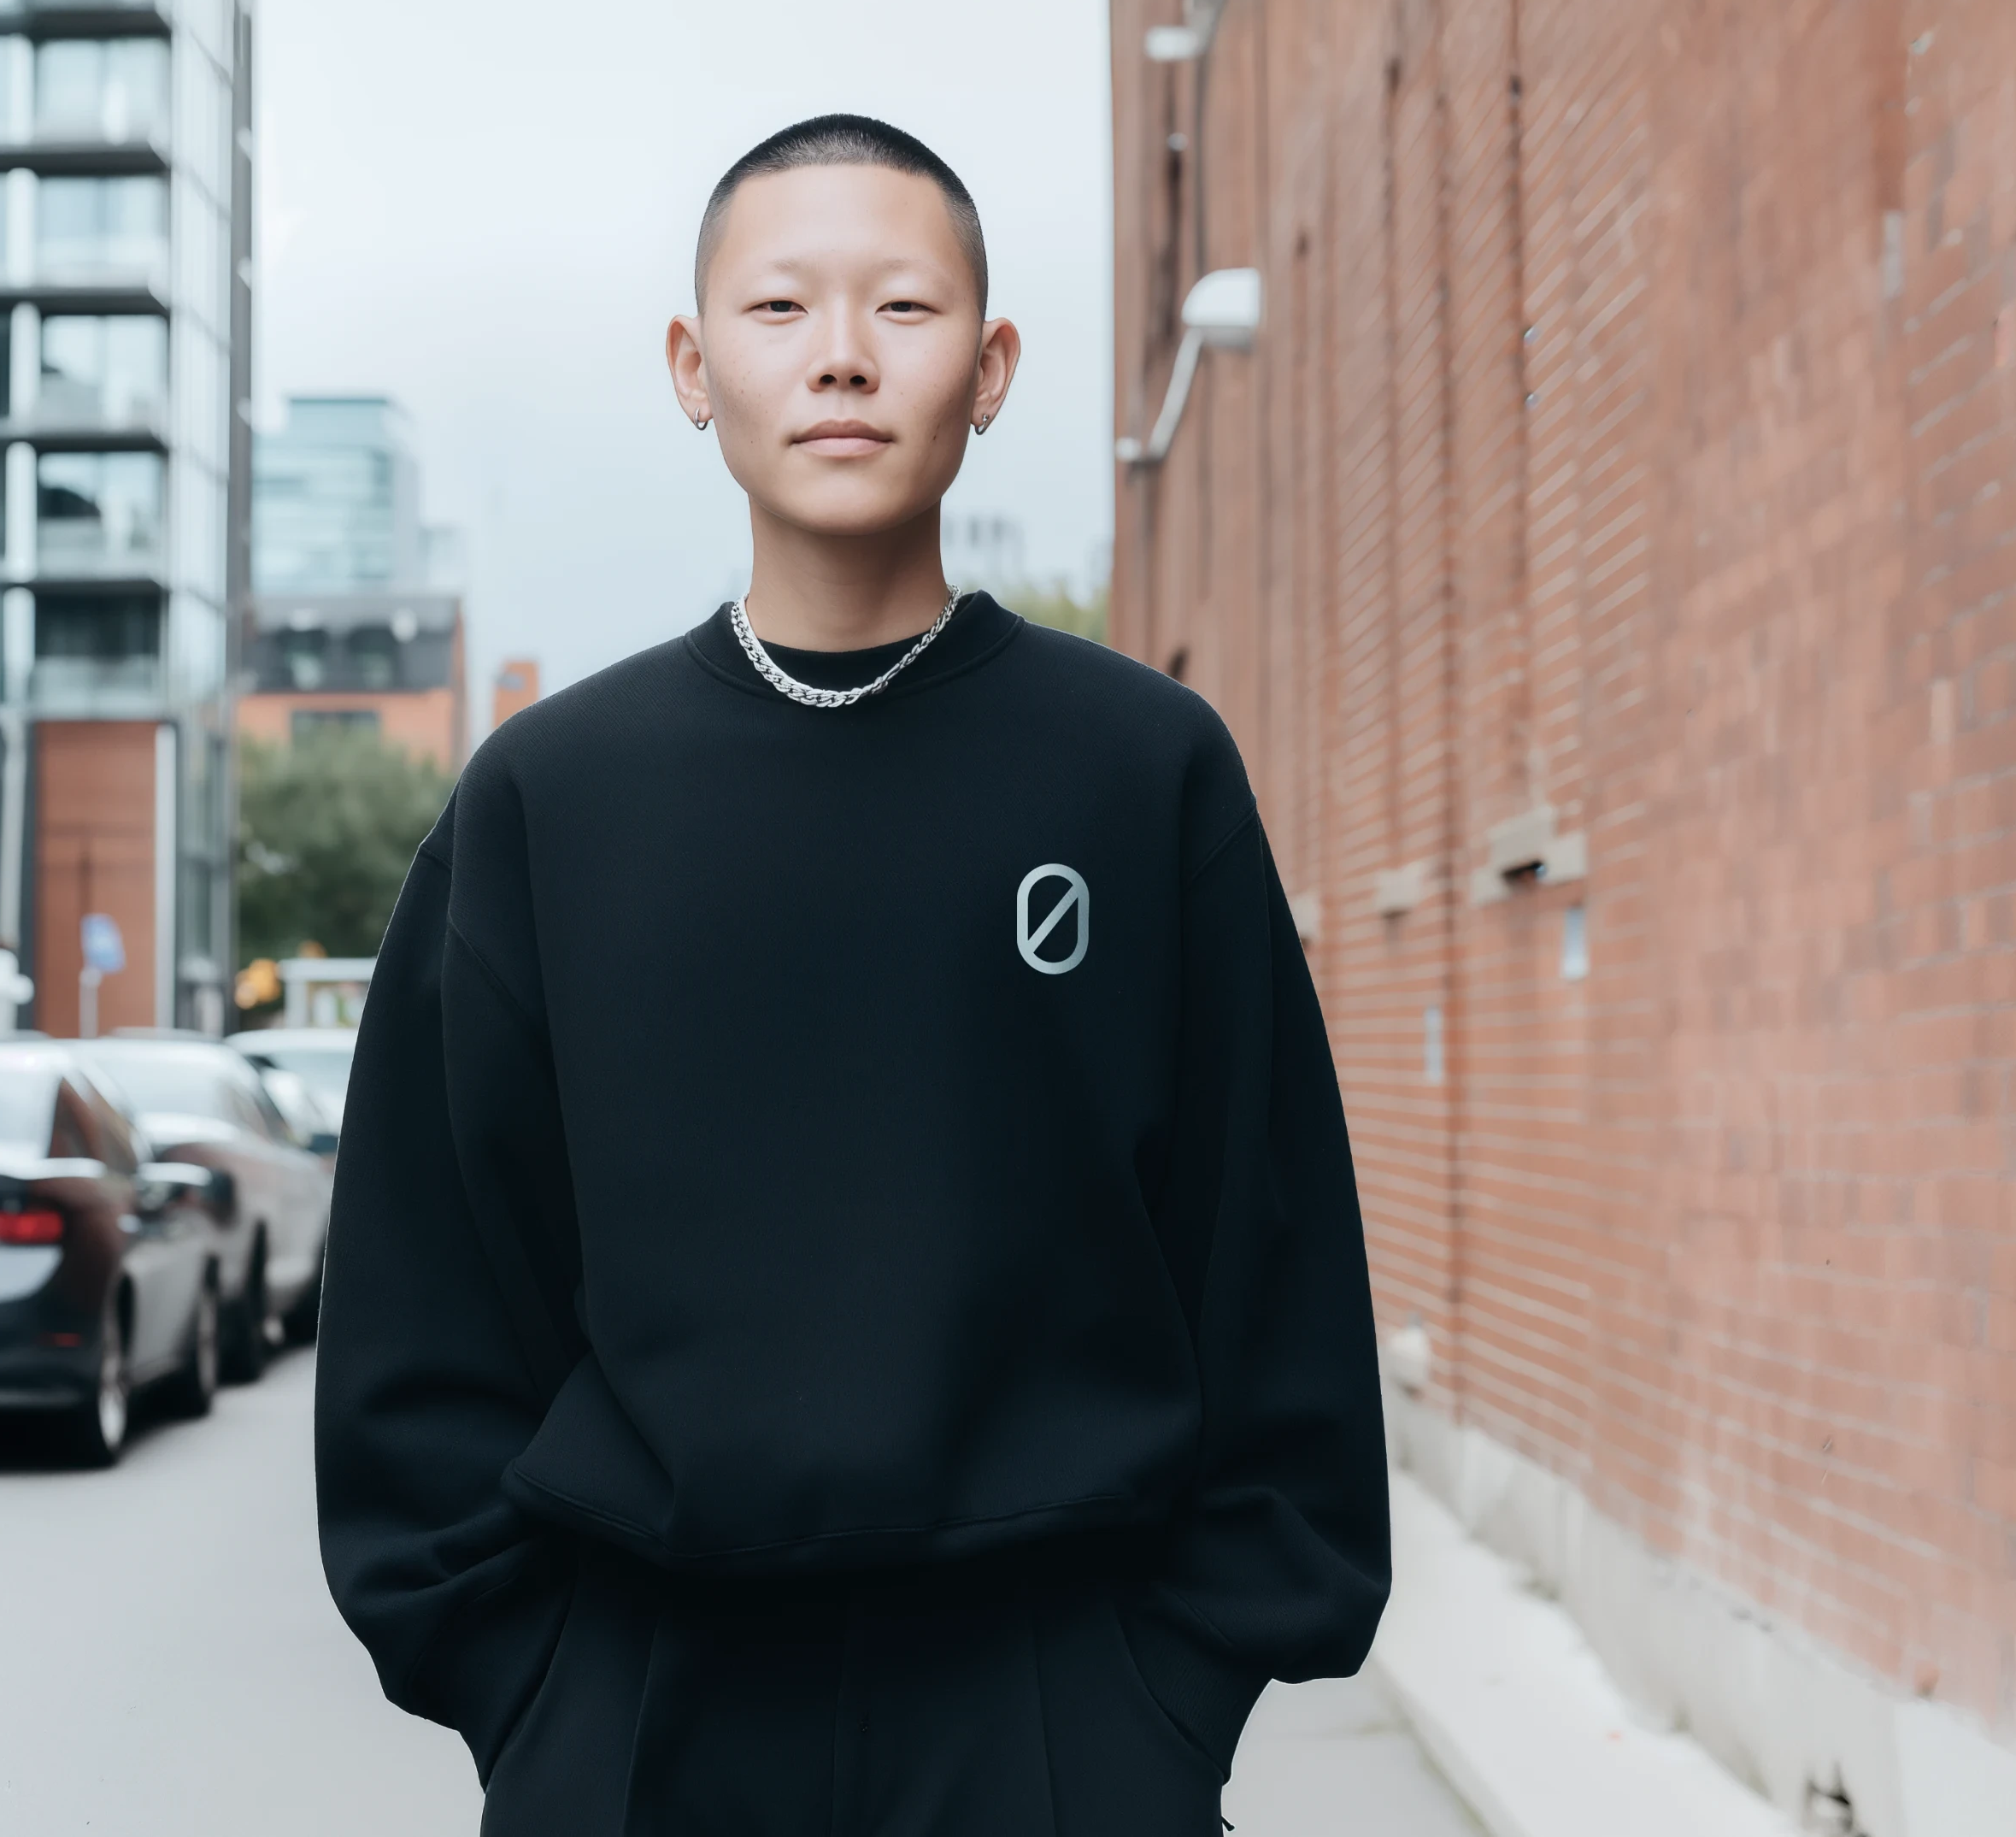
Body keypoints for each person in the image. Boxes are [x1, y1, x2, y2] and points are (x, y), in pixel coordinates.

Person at [315, 114, 1389, 1836]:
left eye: (902, 306)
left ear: (991, 364)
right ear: (692, 365)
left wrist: (1164, 1699)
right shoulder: (552, 799)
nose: (839, 356)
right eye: (778, 309)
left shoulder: (1138, 770)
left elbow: (1266, 1254)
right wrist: (538, 1694)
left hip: (1056, 1710)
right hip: (647, 1710)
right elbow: (426, 1294)